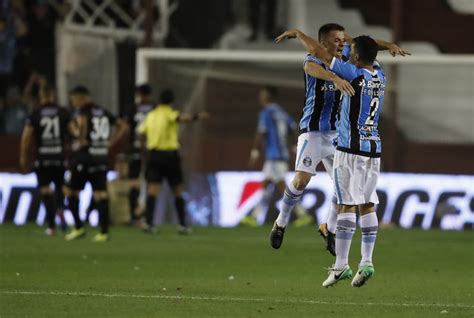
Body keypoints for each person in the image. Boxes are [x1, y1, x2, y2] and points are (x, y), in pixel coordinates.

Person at [270, 24, 409, 255]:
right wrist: (334, 78)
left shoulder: (346, 57)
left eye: (343, 40)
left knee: (342, 187)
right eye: (336, 40)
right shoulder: (312, 60)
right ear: (323, 43)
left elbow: (367, 44)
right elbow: (312, 68)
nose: (342, 44)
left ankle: (329, 228)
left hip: (338, 134)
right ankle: (281, 222)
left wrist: (390, 45)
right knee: (301, 181)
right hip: (313, 131)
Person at [139, 88, 208, 234]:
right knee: (177, 190)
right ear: (171, 101)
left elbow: (142, 133)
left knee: (152, 190)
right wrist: (196, 117)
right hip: (169, 156)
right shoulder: (169, 113)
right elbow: (180, 118)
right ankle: (182, 225)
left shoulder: (151, 115)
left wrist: (145, 150)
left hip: (154, 155)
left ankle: (149, 223)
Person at [64, 86, 128, 242]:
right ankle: (104, 232)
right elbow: (124, 127)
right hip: (101, 157)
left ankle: (79, 228)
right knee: (101, 193)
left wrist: (79, 138)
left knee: (71, 191)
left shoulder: (82, 112)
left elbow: (82, 124)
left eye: (74, 99)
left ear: (81, 98)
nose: (73, 103)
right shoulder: (103, 111)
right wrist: (110, 143)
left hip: (85, 156)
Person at [242, 86, 310, 227]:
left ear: (267, 96)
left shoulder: (266, 112)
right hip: (281, 154)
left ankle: (302, 214)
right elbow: (293, 127)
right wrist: (293, 146)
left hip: (274, 155)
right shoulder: (281, 112)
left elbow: (261, 132)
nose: (260, 97)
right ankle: (254, 216)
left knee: (281, 185)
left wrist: (255, 151)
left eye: (262, 94)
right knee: (266, 185)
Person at [19, 85, 70, 235]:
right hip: (60, 158)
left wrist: (23, 157)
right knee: (60, 187)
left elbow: (26, 138)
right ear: (53, 96)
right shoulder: (62, 112)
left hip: (43, 158)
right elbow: (73, 130)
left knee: (46, 189)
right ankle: (60, 208)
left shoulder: (36, 113)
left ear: (41, 96)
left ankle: (52, 227)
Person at [123, 84, 155, 223]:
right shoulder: (155, 108)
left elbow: (127, 129)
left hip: (135, 150)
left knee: (134, 183)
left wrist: (126, 147)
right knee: (151, 183)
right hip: (152, 149)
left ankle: (134, 216)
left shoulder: (133, 109)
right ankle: (147, 217)